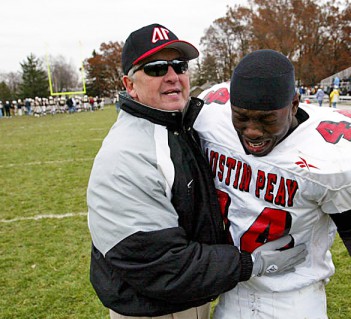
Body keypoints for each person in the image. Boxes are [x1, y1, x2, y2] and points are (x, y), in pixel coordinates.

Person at [87, 25, 306, 319]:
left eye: (180, 65)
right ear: (129, 85)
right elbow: (161, 264)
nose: (172, 76)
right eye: (155, 68)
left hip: (188, 297)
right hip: (155, 307)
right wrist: (250, 264)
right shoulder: (127, 155)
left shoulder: (177, 125)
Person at [195, 49, 351, 319]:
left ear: (293, 105)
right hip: (232, 294)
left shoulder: (326, 158)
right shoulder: (214, 127)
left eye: (266, 119)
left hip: (295, 300)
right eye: (241, 117)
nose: (252, 131)